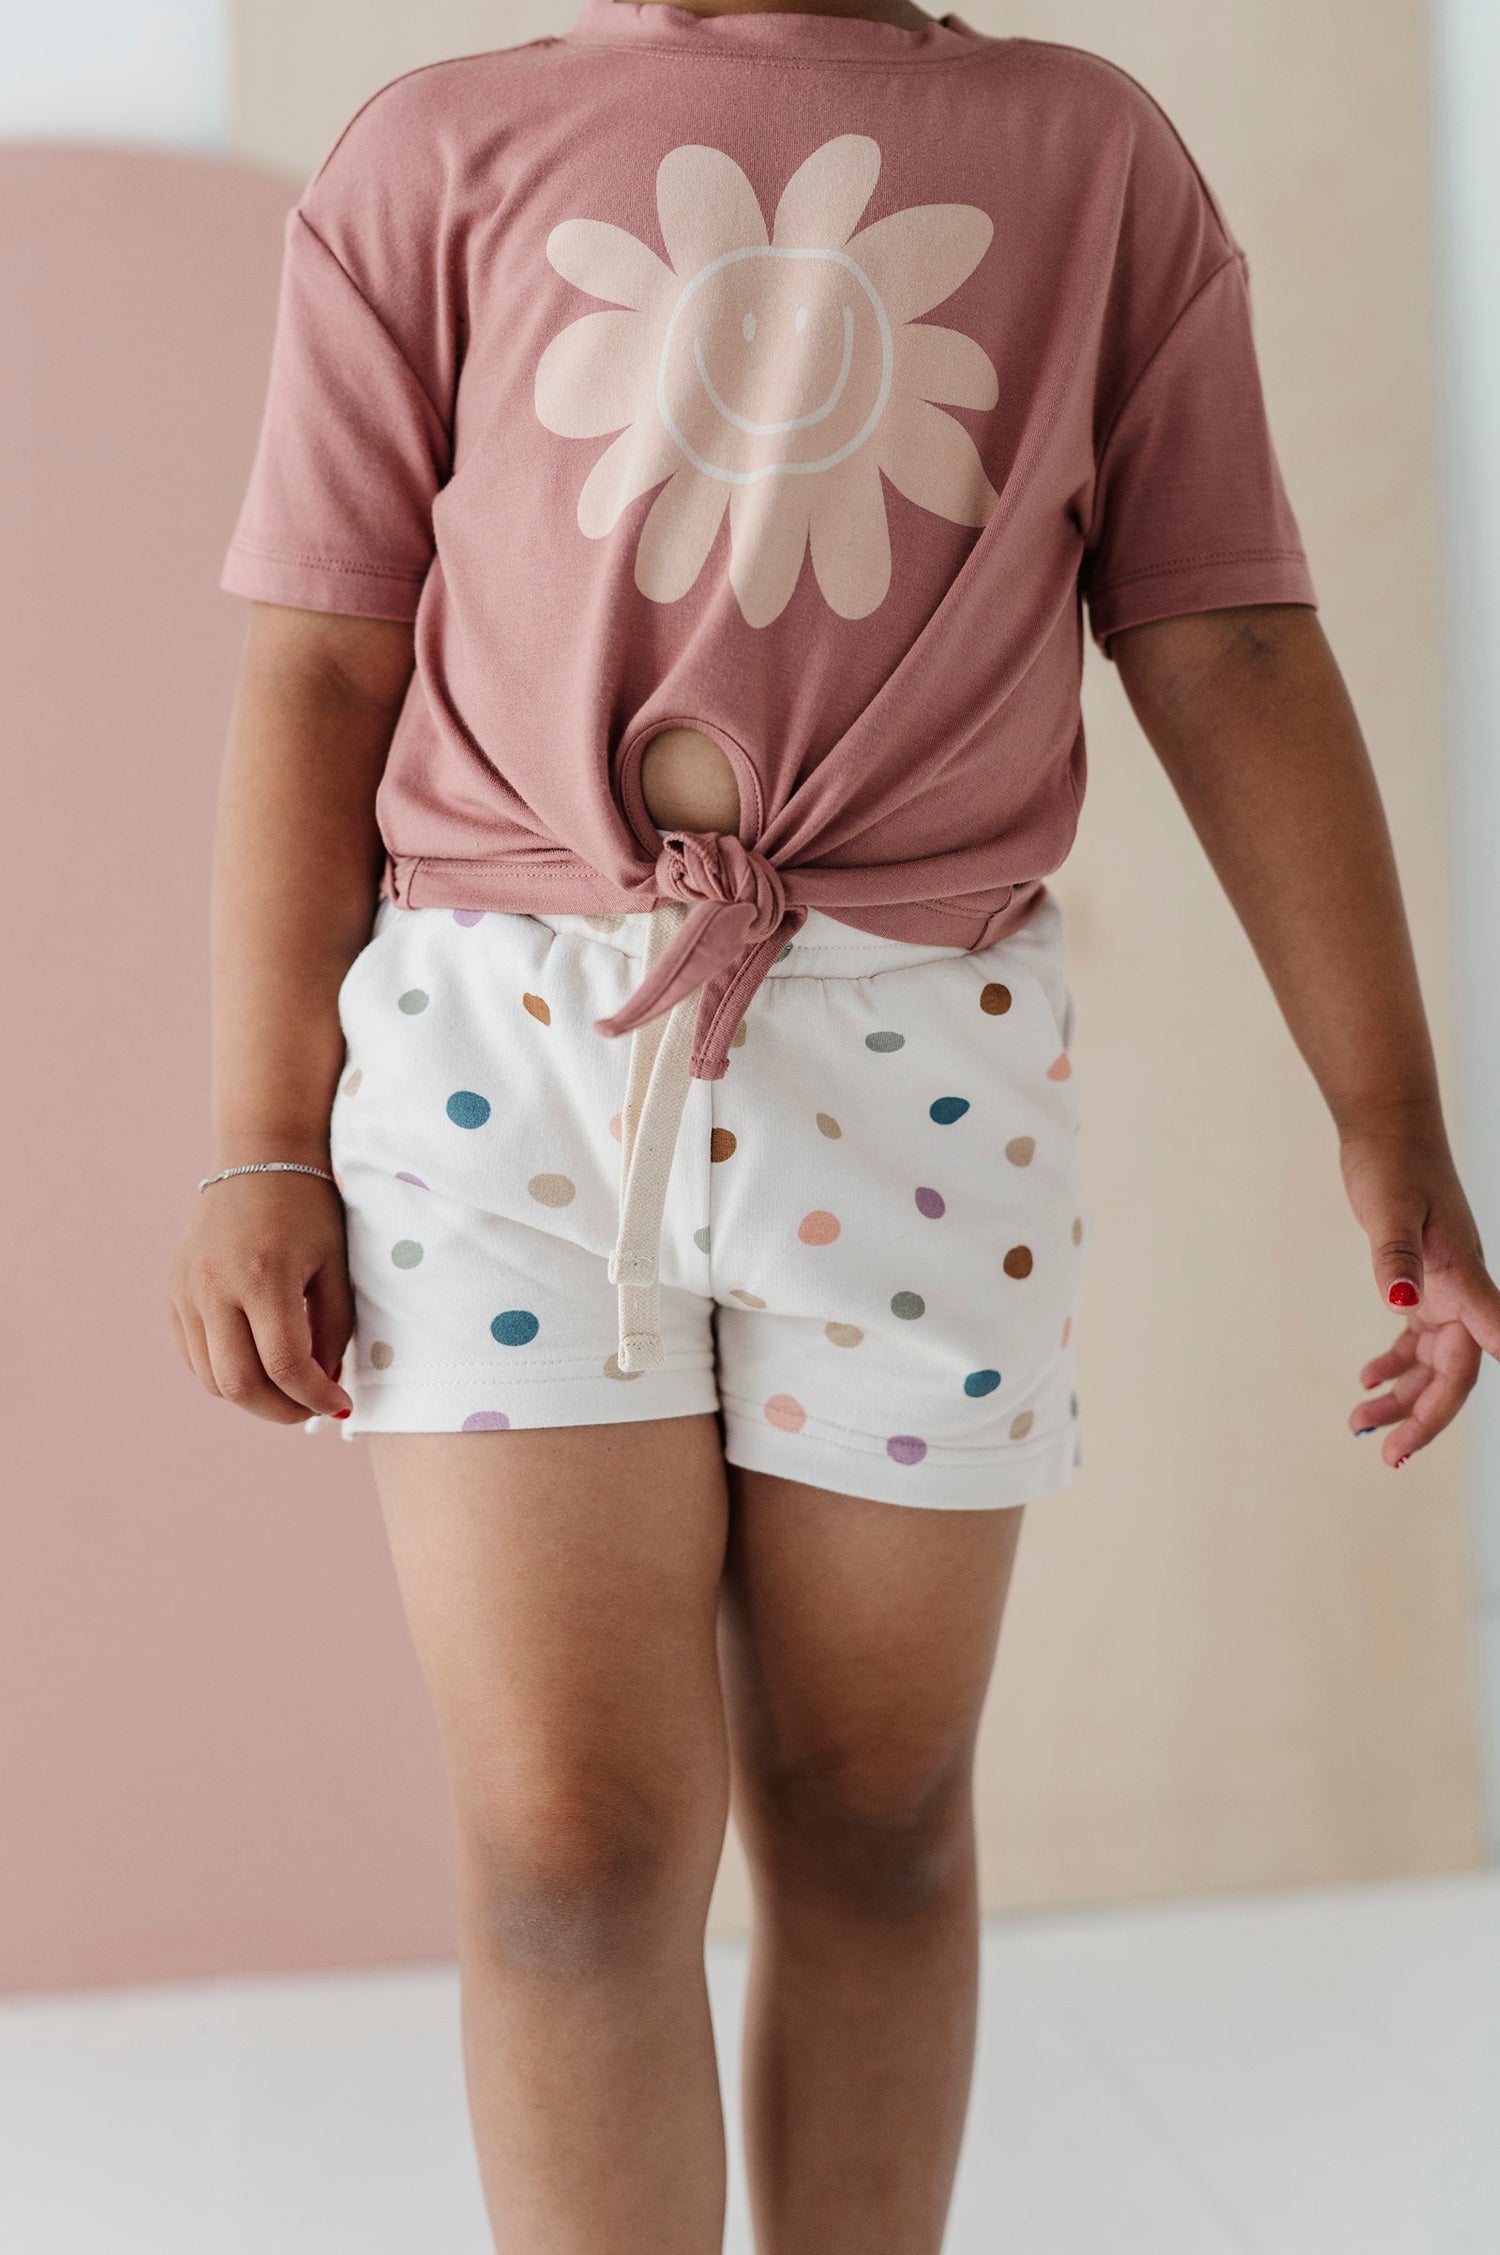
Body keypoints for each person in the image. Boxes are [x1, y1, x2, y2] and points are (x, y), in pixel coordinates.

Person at [169, 2, 1500, 2247]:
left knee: (874, 1816)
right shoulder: (433, 156)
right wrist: (256, 1140)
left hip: (922, 1080)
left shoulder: (1092, 159)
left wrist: (1393, 1119)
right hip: (500, 1073)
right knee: (572, 1856)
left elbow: (1233, 640)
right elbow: (317, 664)